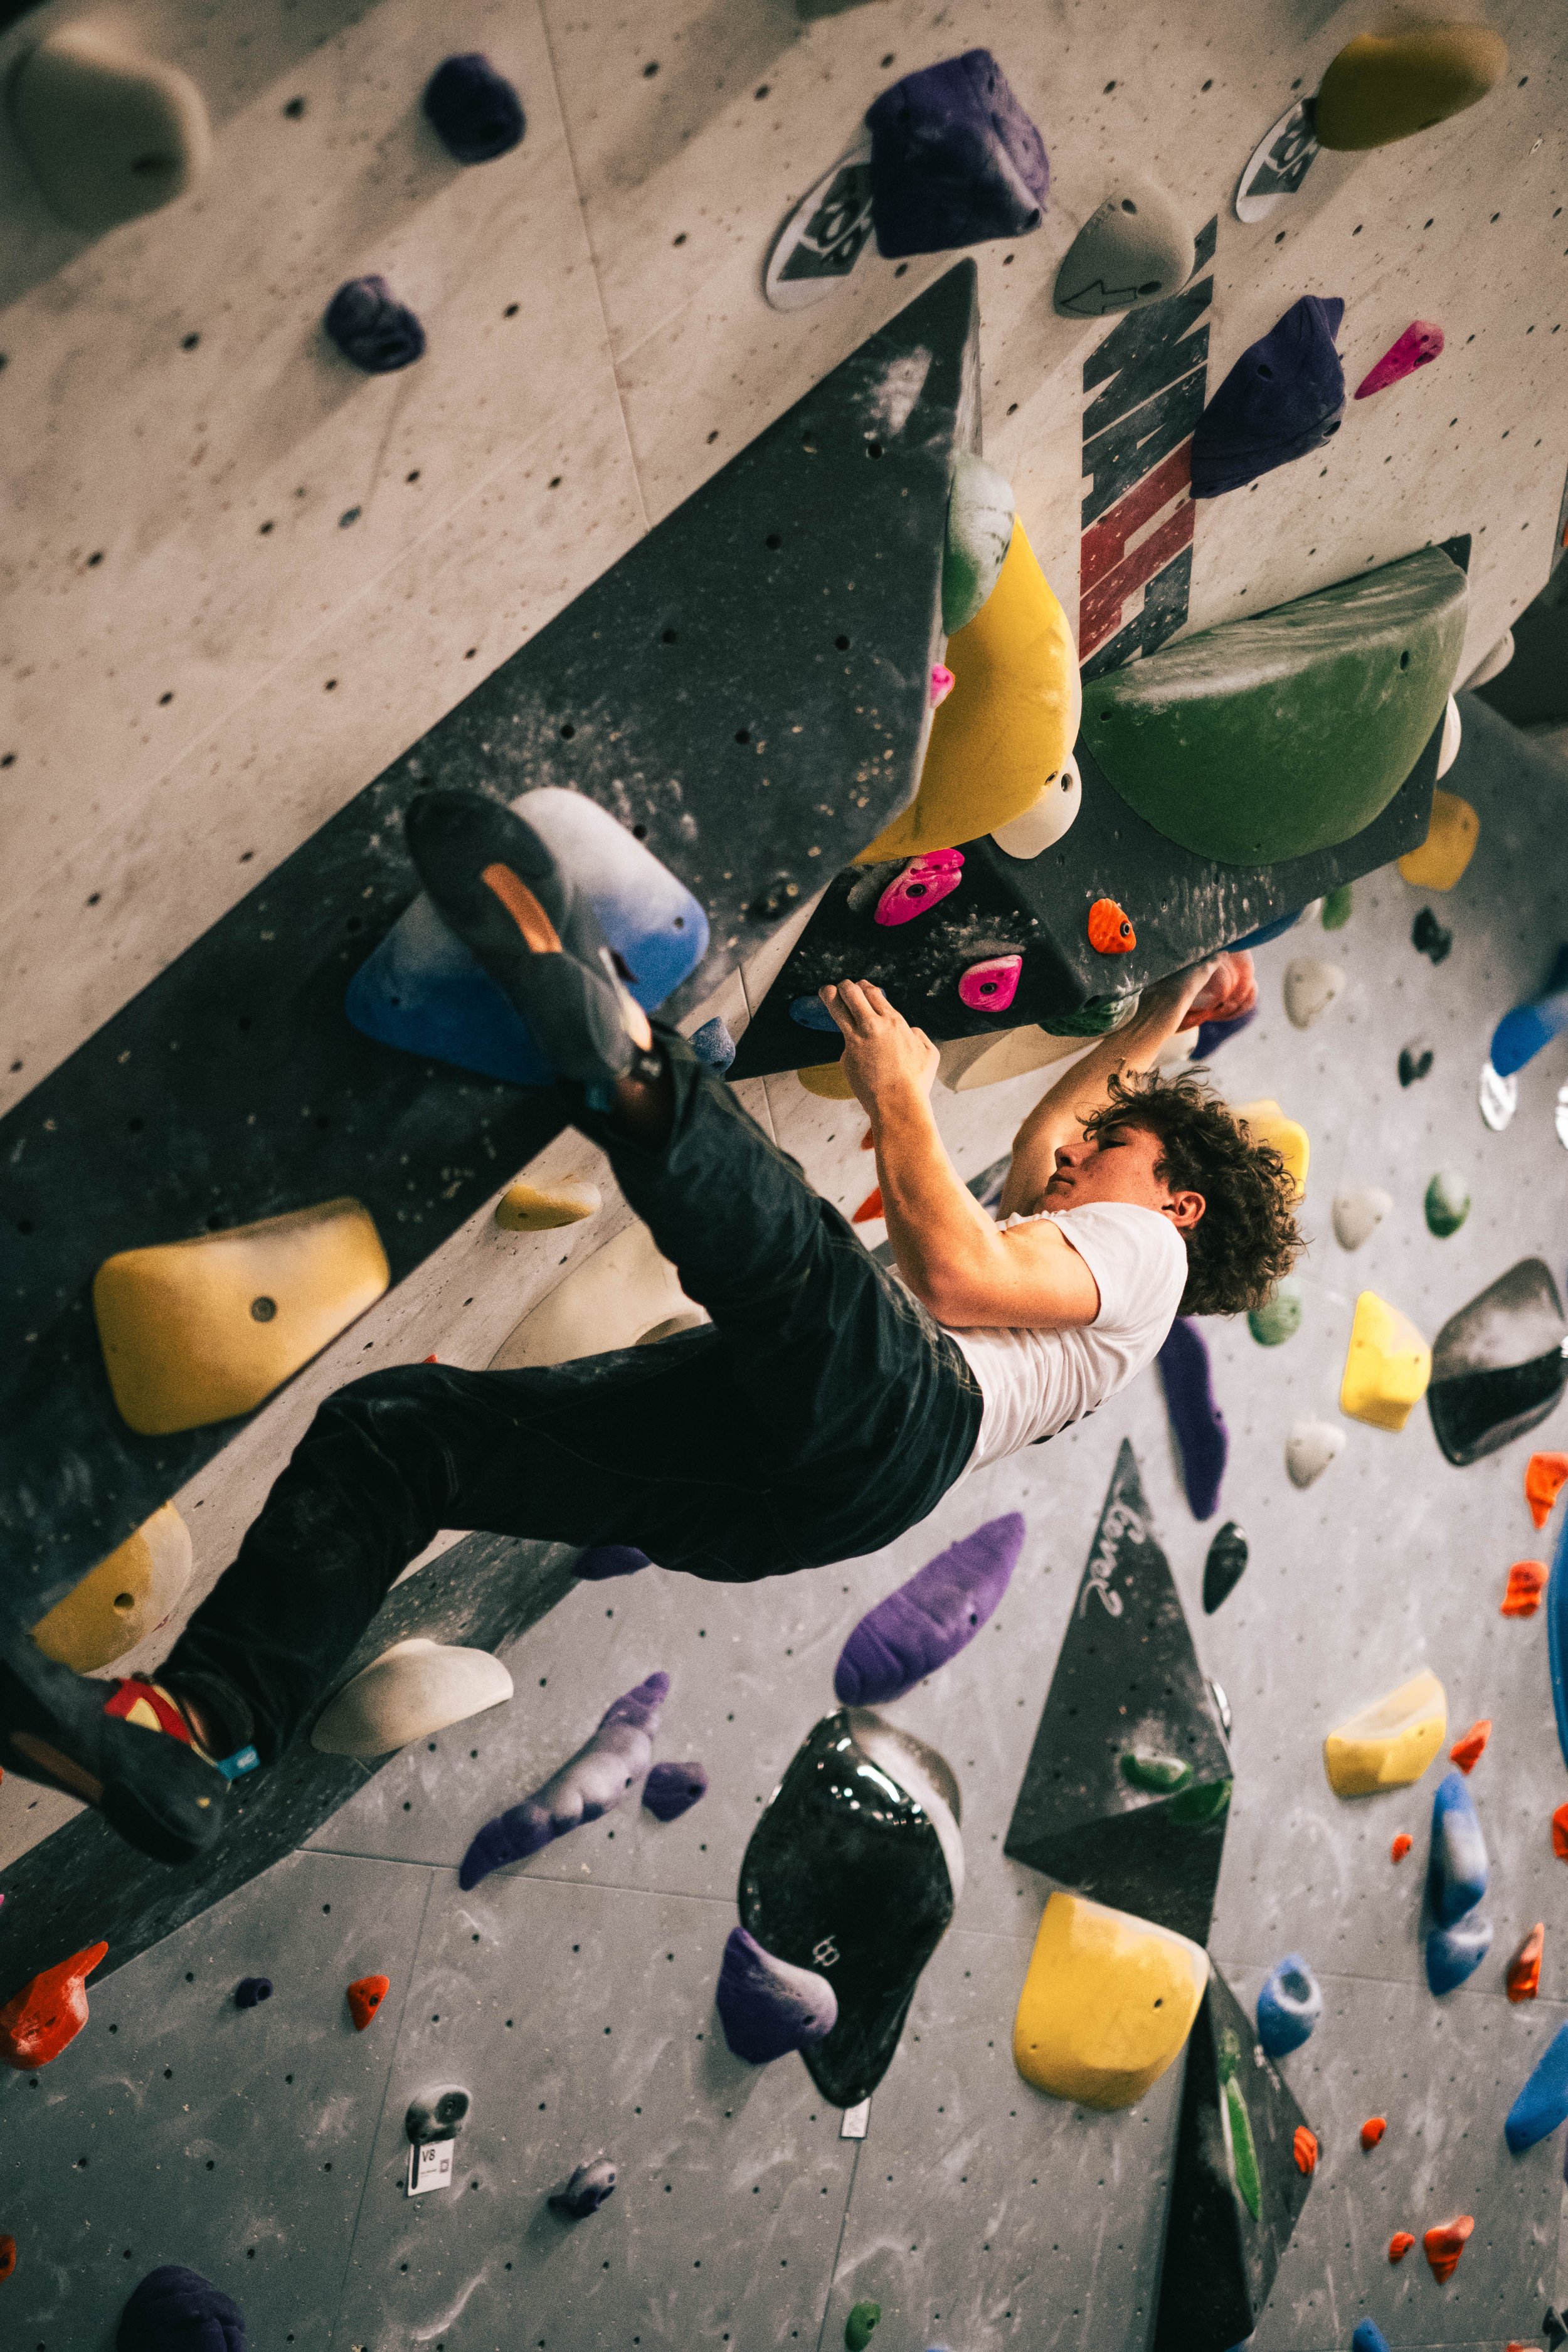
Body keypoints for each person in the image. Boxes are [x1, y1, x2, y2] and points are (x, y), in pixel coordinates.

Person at [0, 792, 1299, 1864]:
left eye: (1109, 1154)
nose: (1071, 1159)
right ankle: (202, 1734)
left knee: (794, 1255)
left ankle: (618, 1049)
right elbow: (1056, 1131)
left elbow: (952, 1275)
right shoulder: (1089, 1274)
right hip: (804, 1484)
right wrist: (1154, 1021)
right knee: (399, 1438)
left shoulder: (1149, 1251)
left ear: (1179, 1199)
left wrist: (902, 1091)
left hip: (899, 1409)